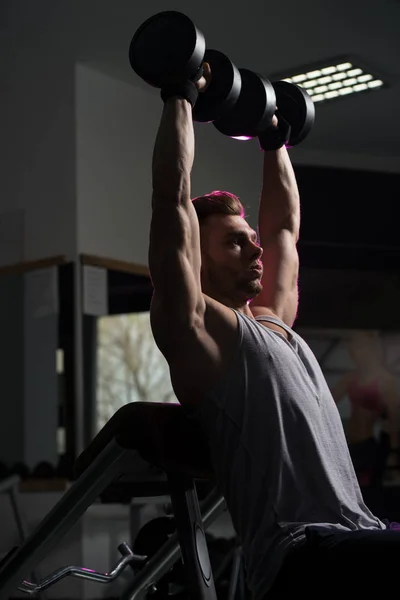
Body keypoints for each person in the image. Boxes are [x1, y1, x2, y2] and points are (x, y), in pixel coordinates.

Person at [148, 64, 399, 599]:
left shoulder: (273, 322)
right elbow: (171, 201)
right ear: (196, 260)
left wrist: (273, 139)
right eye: (236, 242)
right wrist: (180, 94)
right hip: (304, 557)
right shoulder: (199, 334)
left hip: (361, 537)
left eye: (250, 238)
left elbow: (284, 227)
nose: (257, 248)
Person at [332, 330, 400, 486]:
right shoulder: (350, 378)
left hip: (371, 446)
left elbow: (394, 418)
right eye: (354, 349)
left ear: (371, 350)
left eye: (360, 348)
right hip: (349, 444)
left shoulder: (385, 381)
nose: (356, 353)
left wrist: (394, 452)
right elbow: (327, 402)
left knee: (367, 489)